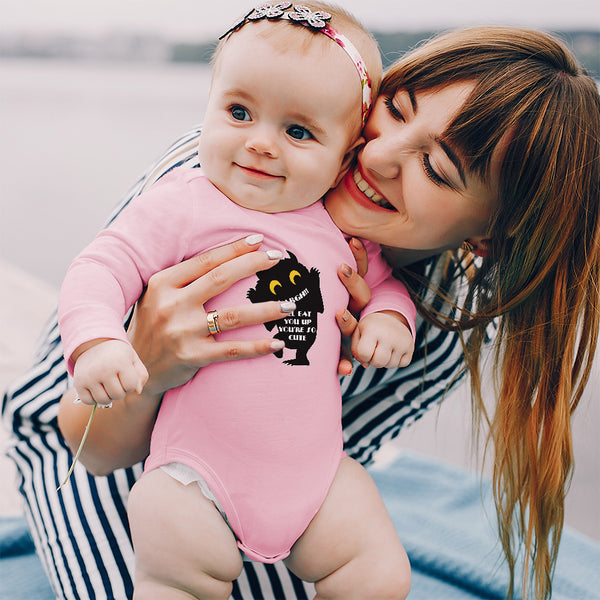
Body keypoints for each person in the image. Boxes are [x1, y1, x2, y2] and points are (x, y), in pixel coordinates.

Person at [3, 22, 599, 600]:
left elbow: (310, 480)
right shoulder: (229, 168)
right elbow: (93, 446)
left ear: (487, 237)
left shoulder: (436, 331)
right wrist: (150, 357)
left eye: (437, 170)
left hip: (256, 482)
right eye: (395, 110)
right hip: (87, 439)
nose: (379, 157)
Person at [57, 3, 414, 598]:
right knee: (178, 575)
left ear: (346, 156)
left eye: (298, 131)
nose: (259, 144)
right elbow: (100, 266)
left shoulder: (333, 227)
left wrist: (388, 318)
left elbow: (383, 286)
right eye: (239, 112)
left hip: (315, 477)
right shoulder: (186, 203)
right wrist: (97, 342)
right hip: (194, 476)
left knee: (378, 571)